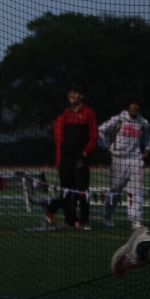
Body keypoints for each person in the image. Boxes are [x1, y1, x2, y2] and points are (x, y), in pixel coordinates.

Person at [45, 84, 98, 230]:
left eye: (75, 92)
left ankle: (83, 221)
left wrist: (86, 152)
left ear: (81, 96)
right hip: (66, 159)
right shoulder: (65, 114)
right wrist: (59, 159)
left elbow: (94, 135)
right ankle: (69, 221)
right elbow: (59, 140)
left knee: (82, 191)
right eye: (70, 92)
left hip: (81, 159)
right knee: (66, 192)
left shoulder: (89, 113)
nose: (71, 95)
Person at [98, 95, 150, 229]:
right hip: (118, 160)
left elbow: (149, 136)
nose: (134, 107)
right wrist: (105, 147)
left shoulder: (143, 122)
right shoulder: (118, 120)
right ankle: (107, 216)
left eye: (136, 104)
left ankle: (136, 220)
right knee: (115, 190)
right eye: (132, 104)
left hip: (135, 160)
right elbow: (100, 131)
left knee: (136, 190)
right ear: (127, 106)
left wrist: (147, 148)